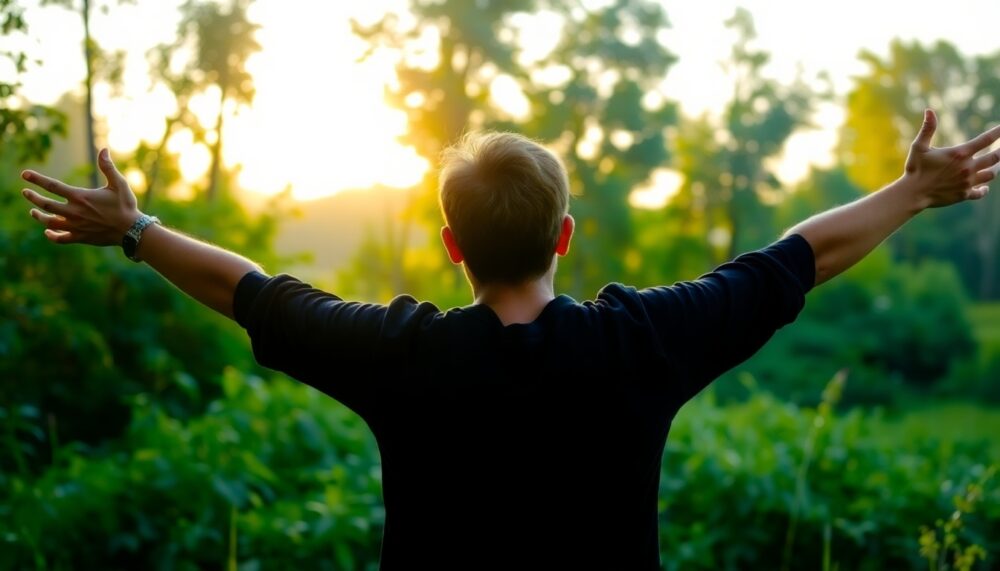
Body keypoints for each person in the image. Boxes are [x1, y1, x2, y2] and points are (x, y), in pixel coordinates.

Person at [18, 110, 998, 569]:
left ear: (451, 247)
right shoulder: (642, 342)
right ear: (563, 236)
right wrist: (913, 190)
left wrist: (137, 232)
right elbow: (795, 259)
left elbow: (251, 292)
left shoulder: (403, 356)